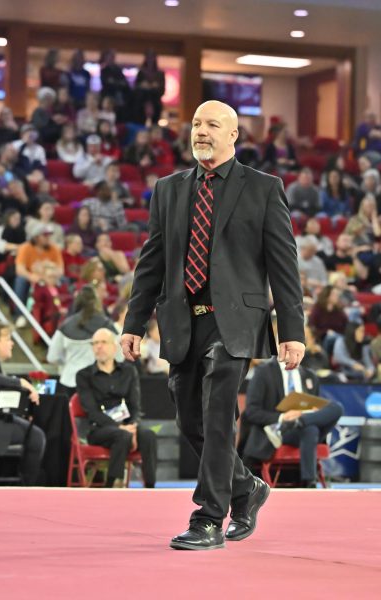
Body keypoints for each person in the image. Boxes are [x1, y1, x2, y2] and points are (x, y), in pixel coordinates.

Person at [120, 100, 305, 550]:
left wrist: (293, 329)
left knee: (219, 414)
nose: (201, 131)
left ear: (233, 135)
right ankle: (247, 488)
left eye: (212, 125)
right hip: (184, 322)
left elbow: (284, 264)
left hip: (236, 322)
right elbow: (152, 263)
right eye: (197, 123)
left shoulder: (264, 188)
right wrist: (134, 322)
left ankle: (207, 519)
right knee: (189, 420)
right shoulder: (168, 189)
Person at [242, 354, 343, 487]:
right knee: (311, 429)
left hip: (303, 426)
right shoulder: (263, 372)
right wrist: (283, 417)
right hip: (276, 431)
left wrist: (311, 412)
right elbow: (251, 412)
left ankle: (299, 421)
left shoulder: (309, 375)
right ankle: (310, 482)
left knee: (336, 408)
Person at [76, 328, 157, 487]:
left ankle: (150, 486)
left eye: (103, 342)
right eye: (95, 343)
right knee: (122, 435)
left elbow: (135, 405)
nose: (98, 346)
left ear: (114, 347)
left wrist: (132, 425)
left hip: (126, 426)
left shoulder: (128, 371)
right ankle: (112, 485)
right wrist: (121, 428)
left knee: (148, 435)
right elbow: (92, 412)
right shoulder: (83, 375)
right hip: (98, 428)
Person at [0, 322, 45, 485]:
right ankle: (26, 487)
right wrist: (20, 383)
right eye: (8, 338)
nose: (12, 343)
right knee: (36, 436)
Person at [47, 286, 117, 396]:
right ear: (97, 303)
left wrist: (67, 362)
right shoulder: (107, 325)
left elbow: (52, 357)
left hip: (70, 379)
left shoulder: (65, 325)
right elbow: (119, 355)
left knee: (72, 413)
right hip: (101, 380)